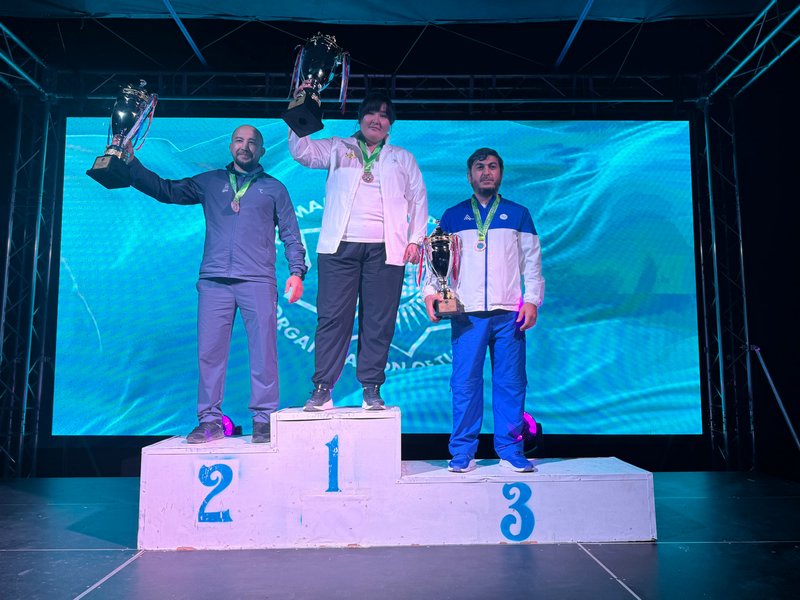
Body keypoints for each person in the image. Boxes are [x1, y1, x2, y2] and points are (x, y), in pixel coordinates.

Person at [126, 124, 308, 444]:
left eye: (252, 142)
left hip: (257, 281)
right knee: (210, 354)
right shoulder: (209, 182)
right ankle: (210, 420)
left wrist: (296, 271)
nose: (245, 146)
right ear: (230, 146)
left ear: (262, 151)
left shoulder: (274, 188)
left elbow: (292, 235)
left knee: (264, 352)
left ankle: (264, 420)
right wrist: (131, 164)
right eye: (239, 140)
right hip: (214, 282)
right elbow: (166, 190)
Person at [288, 91, 428, 411]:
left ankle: (371, 388)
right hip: (339, 247)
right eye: (371, 113)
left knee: (378, 321)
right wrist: (300, 108)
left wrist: (415, 239)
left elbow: (418, 198)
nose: (376, 120)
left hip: (386, 250)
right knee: (332, 318)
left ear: (390, 124)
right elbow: (302, 152)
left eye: (384, 116)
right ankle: (322, 388)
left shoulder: (402, 157)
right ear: (360, 118)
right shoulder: (338, 147)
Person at [422, 148, 545, 473]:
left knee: (511, 384)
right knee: (464, 384)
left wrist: (532, 300)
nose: (486, 172)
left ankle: (511, 449)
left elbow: (532, 263)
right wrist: (431, 293)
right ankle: (462, 451)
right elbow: (436, 261)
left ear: (500, 173)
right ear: (469, 175)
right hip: (466, 313)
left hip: (509, 314)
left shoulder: (519, 214)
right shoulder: (452, 216)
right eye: (480, 167)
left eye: (492, 166)